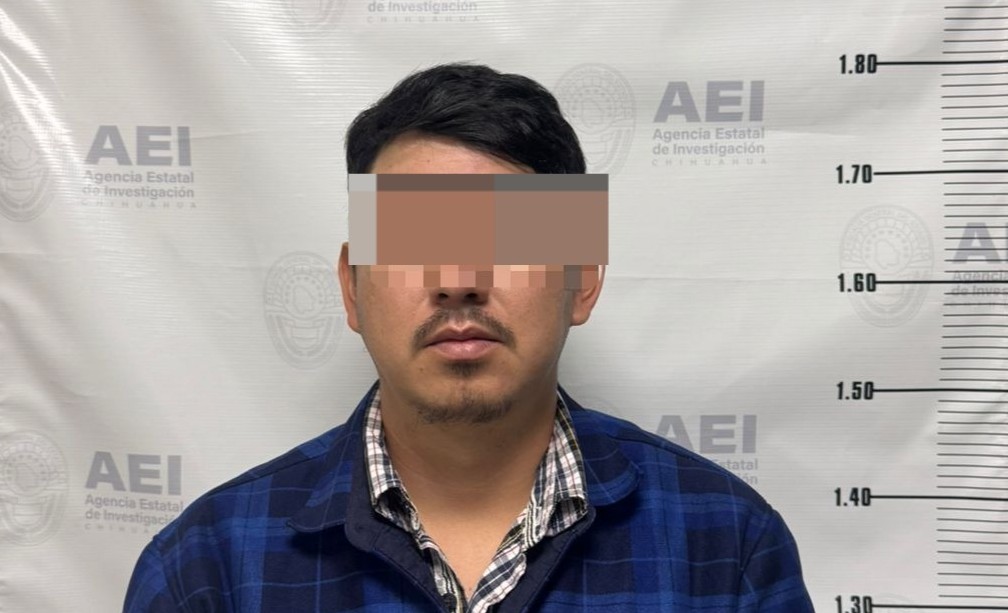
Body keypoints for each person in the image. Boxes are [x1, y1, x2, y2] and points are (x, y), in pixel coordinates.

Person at [124, 62, 814, 612]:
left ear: (582, 279)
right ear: (352, 287)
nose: (457, 280)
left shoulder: (726, 546)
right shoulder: (208, 567)